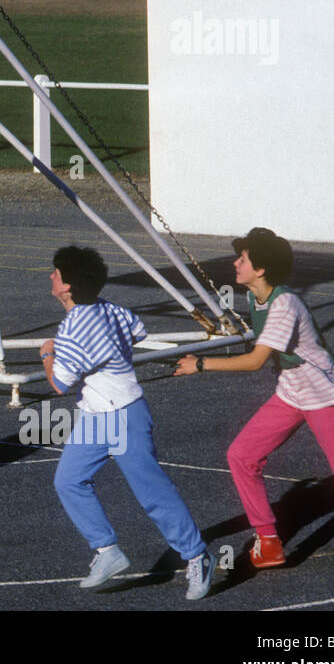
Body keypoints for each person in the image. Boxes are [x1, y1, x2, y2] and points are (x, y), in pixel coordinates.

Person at [175, 227, 334, 576]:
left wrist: (200, 364)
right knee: (241, 455)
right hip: (291, 391)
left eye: (242, 259)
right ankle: (269, 541)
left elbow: (255, 361)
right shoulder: (255, 298)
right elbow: (264, 345)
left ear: (260, 270)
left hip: (322, 395)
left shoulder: (284, 304)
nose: (235, 262)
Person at [41, 245, 213, 600]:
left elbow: (59, 384)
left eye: (56, 272)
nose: (51, 276)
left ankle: (198, 556)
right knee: (69, 480)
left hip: (123, 415)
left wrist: (47, 352)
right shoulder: (111, 309)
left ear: (69, 286)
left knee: (152, 492)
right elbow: (136, 331)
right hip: (98, 413)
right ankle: (107, 551)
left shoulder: (71, 330)